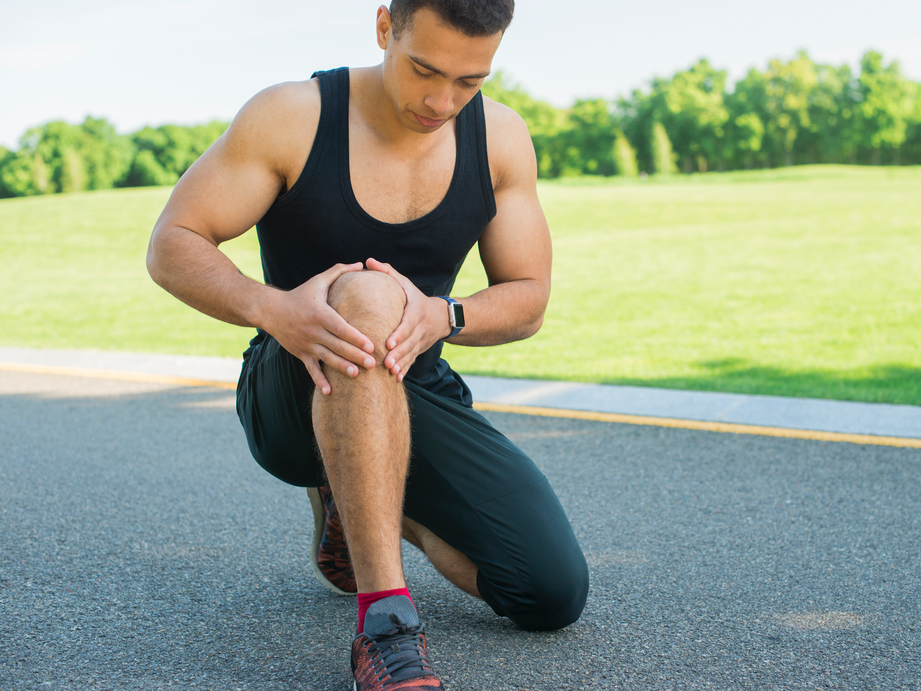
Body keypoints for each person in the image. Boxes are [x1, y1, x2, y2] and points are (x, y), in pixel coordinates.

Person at [146, 1, 589, 689]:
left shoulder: (500, 138)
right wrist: (273, 308)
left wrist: (445, 316)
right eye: (425, 70)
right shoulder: (292, 116)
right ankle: (386, 625)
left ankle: (361, 501)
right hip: (294, 385)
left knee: (550, 591)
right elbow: (172, 243)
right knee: (369, 292)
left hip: (413, 384)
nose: (442, 101)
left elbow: (528, 295)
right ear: (386, 28)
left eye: (470, 81)